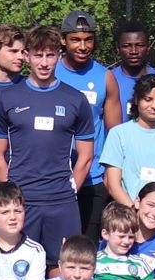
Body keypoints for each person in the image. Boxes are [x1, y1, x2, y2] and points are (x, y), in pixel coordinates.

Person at [0, 28, 97, 258]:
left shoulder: (75, 99)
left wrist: (70, 187)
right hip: (23, 203)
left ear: (59, 55)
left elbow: (85, 156)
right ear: (26, 56)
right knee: (20, 269)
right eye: (37, 55)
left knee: (64, 269)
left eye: (50, 55)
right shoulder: (7, 99)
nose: (44, 63)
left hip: (61, 202)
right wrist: (12, 193)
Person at [52, 12, 121, 235]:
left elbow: (116, 134)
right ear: (63, 40)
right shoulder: (50, 71)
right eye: (75, 40)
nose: (83, 46)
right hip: (54, 176)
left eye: (88, 40)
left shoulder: (105, 77)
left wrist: (112, 176)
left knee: (87, 249)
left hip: (93, 178)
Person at [98, 72, 155, 213]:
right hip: (130, 222)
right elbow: (113, 185)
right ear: (136, 100)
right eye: (148, 99)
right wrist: (136, 213)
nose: (154, 105)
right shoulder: (118, 134)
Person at [107, 21, 155, 130]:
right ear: (117, 48)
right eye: (126, 46)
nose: (133, 51)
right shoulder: (107, 80)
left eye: (140, 45)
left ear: (148, 47)